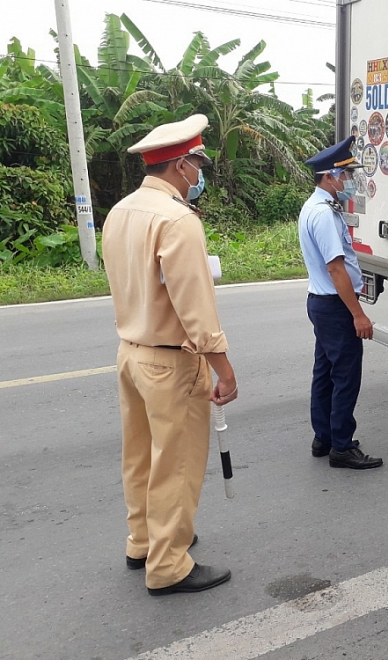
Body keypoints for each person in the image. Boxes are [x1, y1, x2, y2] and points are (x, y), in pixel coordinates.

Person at [103, 114, 238, 596]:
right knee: (176, 463)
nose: (200, 176)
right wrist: (223, 368)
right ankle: (169, 564)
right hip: (170, 359)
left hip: (130, 353)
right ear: (181, 165)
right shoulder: (177, 219)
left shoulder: (120, 212)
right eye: (198, 166)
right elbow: (196, 309)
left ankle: (142, 542)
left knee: (140, 457)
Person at [299, 136, 383, 470]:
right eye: (346, 176)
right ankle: (342, 447)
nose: (350, 182)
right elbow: (336, 268)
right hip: (334, 306)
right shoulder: (322, 214)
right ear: (331, 176)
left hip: (322, 303)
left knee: (326, 371)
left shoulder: (316, 207)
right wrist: (358, 315)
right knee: (345, 375)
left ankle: (325, 437)